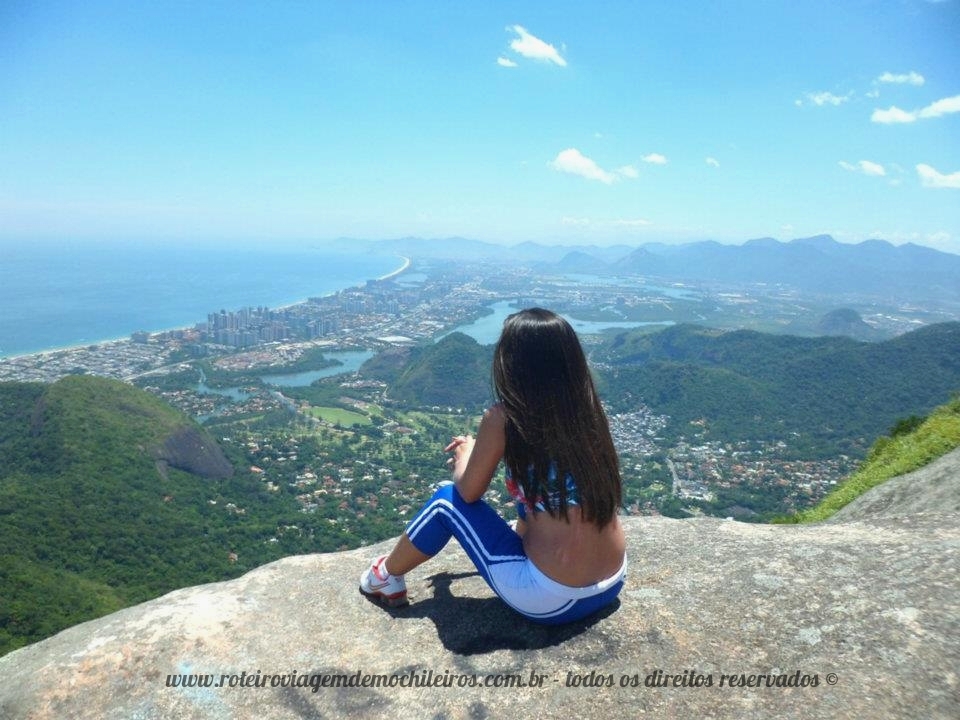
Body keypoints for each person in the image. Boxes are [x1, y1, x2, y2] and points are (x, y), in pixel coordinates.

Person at [359, 307, 626, 625]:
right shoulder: (589, 412)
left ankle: (385, 576)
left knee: (445, 501)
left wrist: (465, 457)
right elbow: (544, 495)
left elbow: (466, 494)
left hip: (553, 600)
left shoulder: (505, 419)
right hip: (612, 582)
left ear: (511, 364)